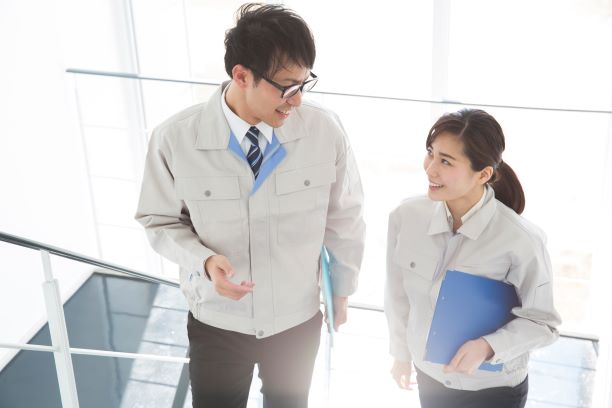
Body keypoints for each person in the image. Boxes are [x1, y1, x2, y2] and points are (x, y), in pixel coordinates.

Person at [135, 3, 365, 407]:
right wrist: (205, 260)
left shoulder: (324, 130)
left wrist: (342, 291)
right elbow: (159, 221)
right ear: (241, 76)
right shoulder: (174, 139)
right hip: (217, 322)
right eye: (286, 87)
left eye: (304, 83)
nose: (297, 100)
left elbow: (345, 217)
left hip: (296, 321)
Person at [384, 109, 561, 408]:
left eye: (446, 161)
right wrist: (401, 354)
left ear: (483, 174)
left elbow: (544, 323)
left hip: (493, 390)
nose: (430, 169)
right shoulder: (405, 217)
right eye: (431, 154)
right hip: (429, 378)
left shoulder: (521, 240)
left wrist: (488, 346)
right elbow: (397, 295)